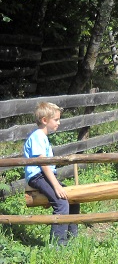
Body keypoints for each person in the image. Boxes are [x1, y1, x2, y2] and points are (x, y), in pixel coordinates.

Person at [24, 102, 80, 246]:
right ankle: (57, 245)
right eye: (56, 120)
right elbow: (43, 163)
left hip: (45, 175)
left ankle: (72, 238)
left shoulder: (43, 137)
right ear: (44, 120)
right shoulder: (37, 136)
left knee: (72, 198)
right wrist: (55, 186)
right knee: (61, 203)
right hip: (38, 175)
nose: (59, 123)